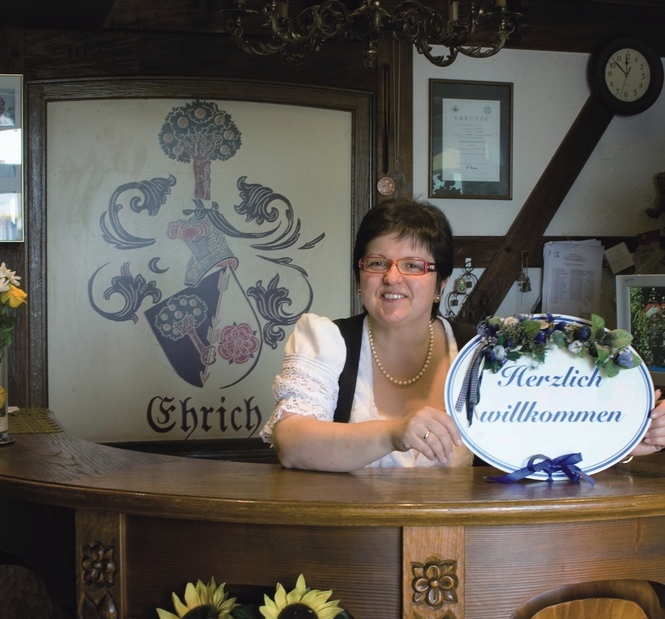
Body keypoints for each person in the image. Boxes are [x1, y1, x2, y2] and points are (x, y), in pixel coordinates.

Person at [261, 198, 665, 472]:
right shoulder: (326, 341)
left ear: (441, 284)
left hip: (470, 546)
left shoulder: (486, 351)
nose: (392, 277)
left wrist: (624, 439)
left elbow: (541, 436)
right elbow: (293, 444)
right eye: (377, 263)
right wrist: (393, 432)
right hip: (352, 543)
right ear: (359, 276)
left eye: (414, 265)